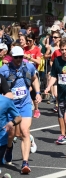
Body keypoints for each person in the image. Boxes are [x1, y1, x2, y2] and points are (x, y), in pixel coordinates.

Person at [0, 46, 41, 174]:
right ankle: (9, 147)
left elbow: (34, 79)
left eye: (21, 57)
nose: (18, 59)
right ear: (12, 57)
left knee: (25, 131)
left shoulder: (29, 67)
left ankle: (25, 163)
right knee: (11, 134)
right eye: (16, 57)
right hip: (10, 106)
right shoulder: (5, 69)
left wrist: (38, 92)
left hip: (25, 104)